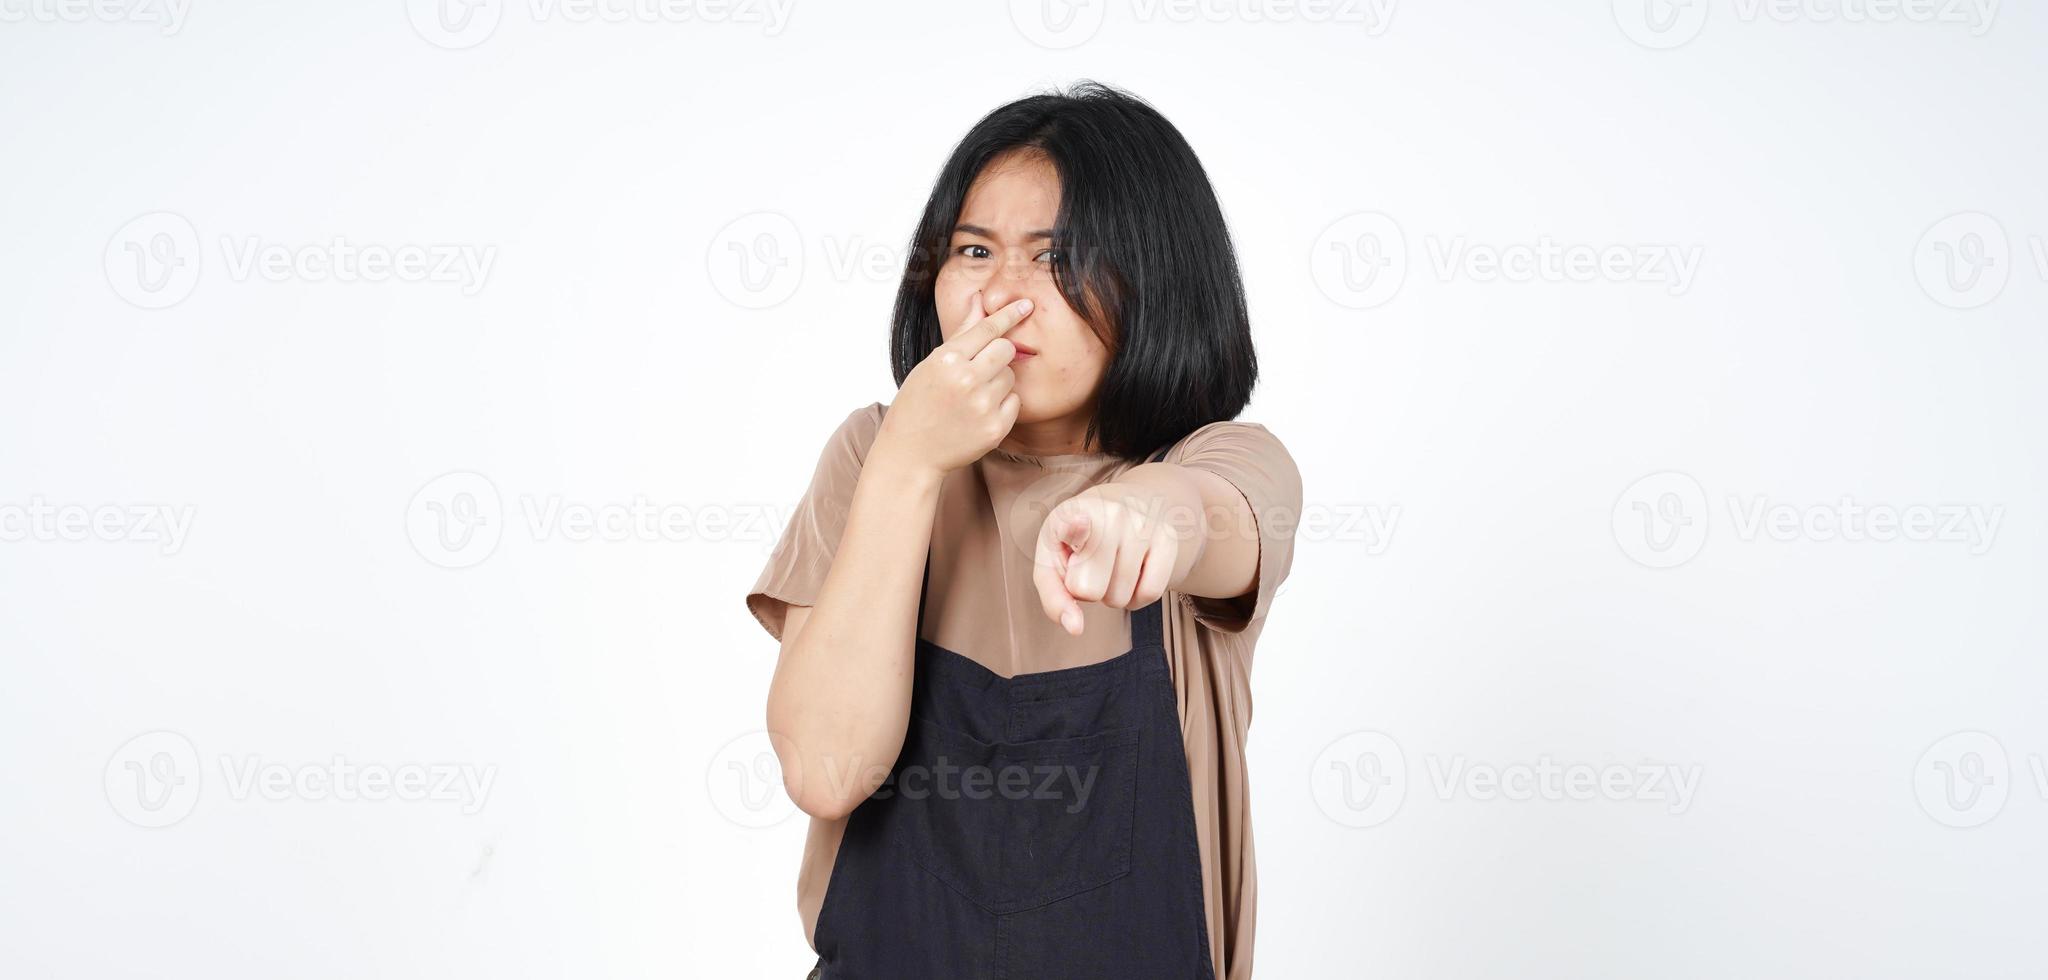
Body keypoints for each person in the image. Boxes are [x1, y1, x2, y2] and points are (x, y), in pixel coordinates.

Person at [745, 80, 1300, 980]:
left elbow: (1215, 513)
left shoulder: (1224, 460)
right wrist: (908, 466)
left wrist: (1146, 512)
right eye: (974, 250)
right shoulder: (871, 460)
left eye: (1055, 258)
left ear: (1157, 276)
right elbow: (824, 769)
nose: (1002, 295)